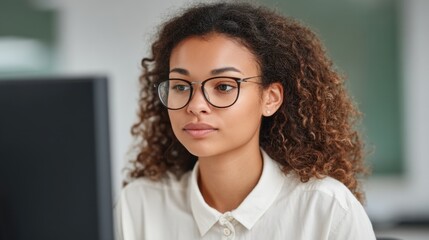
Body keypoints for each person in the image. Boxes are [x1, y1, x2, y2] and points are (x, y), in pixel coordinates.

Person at [115, 2, 376, 239]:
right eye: (181, 87)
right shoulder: (138, 206)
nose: (195, 106)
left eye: (224, 87)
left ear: (270, 98)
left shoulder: (326, 209)